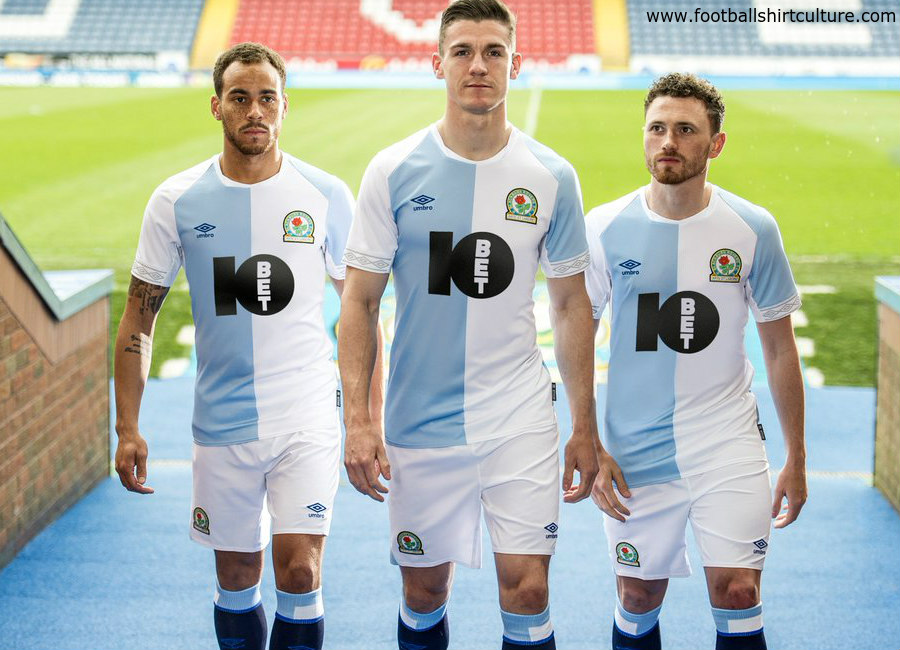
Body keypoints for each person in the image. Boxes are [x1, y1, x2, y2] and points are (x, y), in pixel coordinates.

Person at [337, 1, 601, 649]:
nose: (478, 65)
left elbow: (572, 306)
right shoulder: (393, 170)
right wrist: (359, 422)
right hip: (420, 419)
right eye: (462, 51)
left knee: (528, 590)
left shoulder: (552, 177)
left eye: (493, 52)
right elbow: (359, 303)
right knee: (424, 592)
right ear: (438, 64)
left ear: (516, 63)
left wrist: (585, 424)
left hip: (519, 417)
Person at [113, 42, 370, 650]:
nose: (255, 111)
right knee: (235, 577)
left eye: (267, 98)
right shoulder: (176, 200)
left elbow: (360, 314)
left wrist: (364, 419)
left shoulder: (326, 194)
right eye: (239, 98)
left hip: (305, 415)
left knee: (300, 571)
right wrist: (127, 426)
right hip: (221, 420)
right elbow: (139, 319)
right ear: (216, 106)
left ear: (285, 106)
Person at [585, 73, 808, 650]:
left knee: (738, 591)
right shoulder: (604, 228)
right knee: (638, 597)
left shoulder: (752, 228)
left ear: (716, 143)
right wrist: (587, 439)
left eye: (686, 130)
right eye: (657, 128)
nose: (668, 141)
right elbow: (574, 335)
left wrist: (797, 456)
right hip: (634, 450)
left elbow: (780, 348)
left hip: (727, 442)